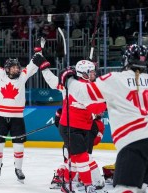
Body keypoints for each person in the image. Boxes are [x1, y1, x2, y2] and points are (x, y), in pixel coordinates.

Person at [45, 44, 148, 193]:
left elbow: (83, 94)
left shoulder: (114, 79)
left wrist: (69, 79)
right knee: (138, 189)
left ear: (126, 60)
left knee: (125, 190)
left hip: (135, 143)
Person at [33, 47, 106, 192]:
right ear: (83, 74)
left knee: (74, 158)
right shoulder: (71, 85)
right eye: (91, 72)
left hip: (84, 127)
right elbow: (52, 81)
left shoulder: (83, 85)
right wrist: (44, 66)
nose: (94, 74)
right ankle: (87, 185)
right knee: (82, 157)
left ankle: (66, 184)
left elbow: (97, 109)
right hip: (70, 127)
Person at [0, 37, 39, 184]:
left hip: (17, 117)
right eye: (13, 67)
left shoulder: (22, 77)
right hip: (0, 116)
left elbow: (33, 66)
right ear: (7, 69)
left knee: (19, 144)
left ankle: (18, 169)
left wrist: (39, 50)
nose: (17, 69)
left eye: (17, 67)